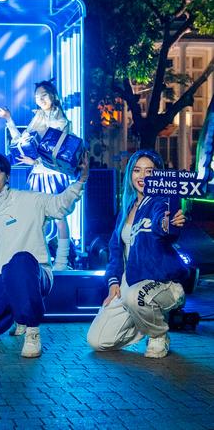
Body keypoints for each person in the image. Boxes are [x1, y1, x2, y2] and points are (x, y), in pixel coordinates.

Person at [0, 151, 89, 358]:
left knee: (19, 260)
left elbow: (61, 205)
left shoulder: (30, 199)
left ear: (7, 176)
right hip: (3, 280)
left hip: (36, 274)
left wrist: (81, 179)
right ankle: (18, 312)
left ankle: (32, 331)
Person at [87, 149, 188, 359]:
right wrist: (113, 283)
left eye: (149, 171)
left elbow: (164, 224)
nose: (142, 176)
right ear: (130, 175)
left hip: (161, 282)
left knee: (135, 297)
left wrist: (168, 223)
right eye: (137, 170)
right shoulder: (127, 208)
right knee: (98, 341)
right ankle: (144, 318)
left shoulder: (161, 202)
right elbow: (116, 251)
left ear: (158, 175)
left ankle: (158, 334)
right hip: (129, 283)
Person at [0, 80, 74, 270]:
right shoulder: (37, 119)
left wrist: (36, 161)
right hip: (38, 175)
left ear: (53, 96)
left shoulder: (61, 121)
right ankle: (42, 260)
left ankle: (62, 261)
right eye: (37, 97)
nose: (40, 99)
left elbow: (57, 152)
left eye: (43, 95)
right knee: (37, 219)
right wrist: (9, 119)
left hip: (53, 174)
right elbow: (20, 141)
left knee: (59, 217)